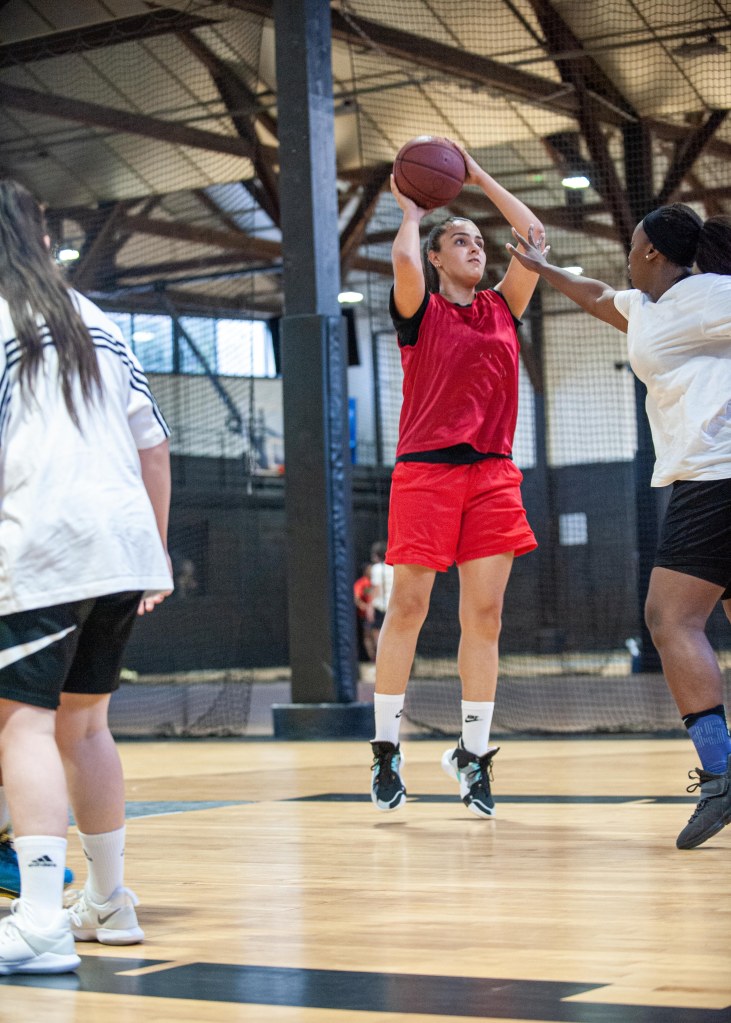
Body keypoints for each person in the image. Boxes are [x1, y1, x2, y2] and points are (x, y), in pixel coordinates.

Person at [506, 204, 731, 850]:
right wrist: (542, 267)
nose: (627, 257)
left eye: (632, 246)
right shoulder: (649, 307)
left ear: (652, 251)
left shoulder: (709, 294)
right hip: (708, 477)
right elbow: (600, 296)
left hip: (715, 478)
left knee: (669, 618)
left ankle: (721, 774)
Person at [0, 179, 173, 974]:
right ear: (42, 237)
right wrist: (154, 554)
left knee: (23, 724)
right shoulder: (96, 319)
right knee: (86, 725)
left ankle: (39, 919)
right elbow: (153, 446)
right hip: (122, 542)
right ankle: (108, 898)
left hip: (45, 541)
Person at [370, 146, 544, 817]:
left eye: (478, 241)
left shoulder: (502, 306)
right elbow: (403, 260)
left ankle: (472, 756)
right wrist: (412, 211)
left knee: (485, 615)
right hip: (425, 471)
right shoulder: (419, 309)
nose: (475, 248)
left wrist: (476, 175)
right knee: (408, 607)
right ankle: (386, 749)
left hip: (493, 472)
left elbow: (533, 238)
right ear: (438, 259)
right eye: (461, 241)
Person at [368, 541, 393, 655]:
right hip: (393, 606)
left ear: (376, 555)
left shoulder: (376, 568)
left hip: (381, 607)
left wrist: (370, 607)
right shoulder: (394, 567)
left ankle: (383, 658)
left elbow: (376, 589)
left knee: (378, 633)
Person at [353, 563, 375, 662]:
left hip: (377, 614)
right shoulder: (361, 583)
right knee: (368, 636)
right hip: (365, 616)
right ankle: (373, 658)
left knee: (376, 635)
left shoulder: (375, 582)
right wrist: (366, 608)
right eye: (370, 569)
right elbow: (356, 598)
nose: (372, 571)